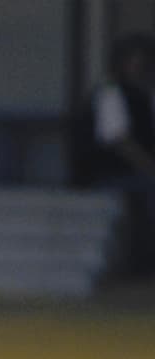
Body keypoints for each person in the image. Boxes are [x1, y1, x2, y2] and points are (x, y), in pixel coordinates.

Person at [88, 32, 155, 274]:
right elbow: (119, 140)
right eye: (133, 59)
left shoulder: (145, 94)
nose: (138, 65)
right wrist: (149, 166)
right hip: (115, 173)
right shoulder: (111, 93)